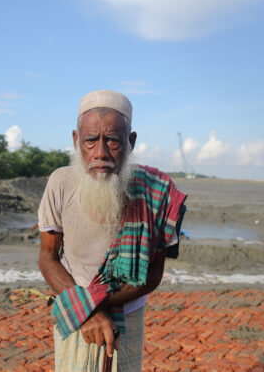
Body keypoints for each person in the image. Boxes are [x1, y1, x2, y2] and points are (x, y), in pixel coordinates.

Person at [38, 90, 187, 371]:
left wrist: (92, 306)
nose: (101, 153)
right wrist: (86, 313)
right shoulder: (60, 183)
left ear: (130, 142)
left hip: (126, 314)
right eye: (91, 140)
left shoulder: (157, 193)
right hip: (75, 316)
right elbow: (47, 256)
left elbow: (152, 275)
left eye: (113, 141)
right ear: (75, 140)